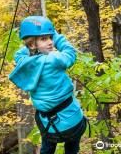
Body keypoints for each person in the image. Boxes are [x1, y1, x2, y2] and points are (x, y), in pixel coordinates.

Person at [9, 16, 87, 154]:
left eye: (51, 37)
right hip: (72, 122)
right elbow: (70, 53)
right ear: (32, 44)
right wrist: (56, 35)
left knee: (47, 149)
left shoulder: (24, 62)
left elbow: (19, 53)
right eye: (44, 39)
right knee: (72, 149)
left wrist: (32, 46)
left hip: (48, 126)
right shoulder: (54, 59)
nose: (51, 42)